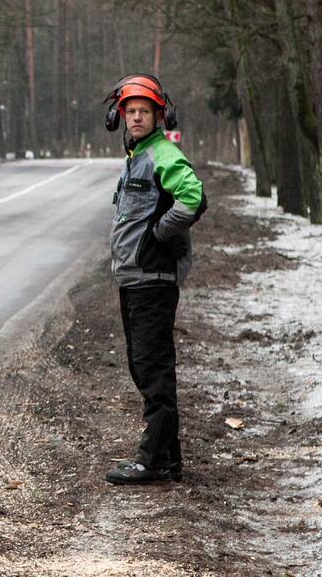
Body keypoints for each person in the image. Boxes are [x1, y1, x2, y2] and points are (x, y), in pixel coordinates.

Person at [101, 74, 207, 485]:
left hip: (152, 278)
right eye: (131, 112)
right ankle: (166, 459)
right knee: (145, 368)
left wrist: (158, 235)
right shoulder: (137, 157)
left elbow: (194, 197)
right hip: (135, 278)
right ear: (120, 117)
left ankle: (152, 460)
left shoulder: (163, 153)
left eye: (145, 111)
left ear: (160, 116)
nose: (137, 118)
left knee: (153, 369)